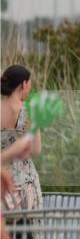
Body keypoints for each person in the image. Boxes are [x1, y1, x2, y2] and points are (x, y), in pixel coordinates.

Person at [1, 65, 43, 211]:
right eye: (29, 85)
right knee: (27, 233)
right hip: (26, 186)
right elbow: (36, 150)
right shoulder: (28, 111)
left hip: (3, 184)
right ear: (23, 84)